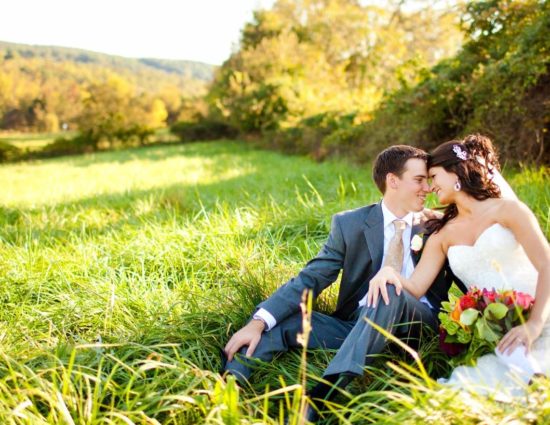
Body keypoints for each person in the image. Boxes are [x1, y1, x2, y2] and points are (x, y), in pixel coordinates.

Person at [222, 145, 463, 420]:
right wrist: (258, 321)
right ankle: (230, 386)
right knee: (283, 321)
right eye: (419, 180)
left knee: (389, 290)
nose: (428, 188)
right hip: (357, 323)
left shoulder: (435, 225)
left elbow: (467, 271)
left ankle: (322, 396)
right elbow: (312, 278)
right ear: (393, 181)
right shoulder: (350, 224)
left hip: (415, 326)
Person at [368, 134, 550, 398]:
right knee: (476, 391)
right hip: (497, 329)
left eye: (433, 177)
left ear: (456, 173)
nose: (430, 187)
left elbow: (546, 264)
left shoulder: (508, 211)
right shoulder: (442, 235)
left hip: (542, 311)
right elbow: (416, 288)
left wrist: (534, 323)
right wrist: (388, 273)